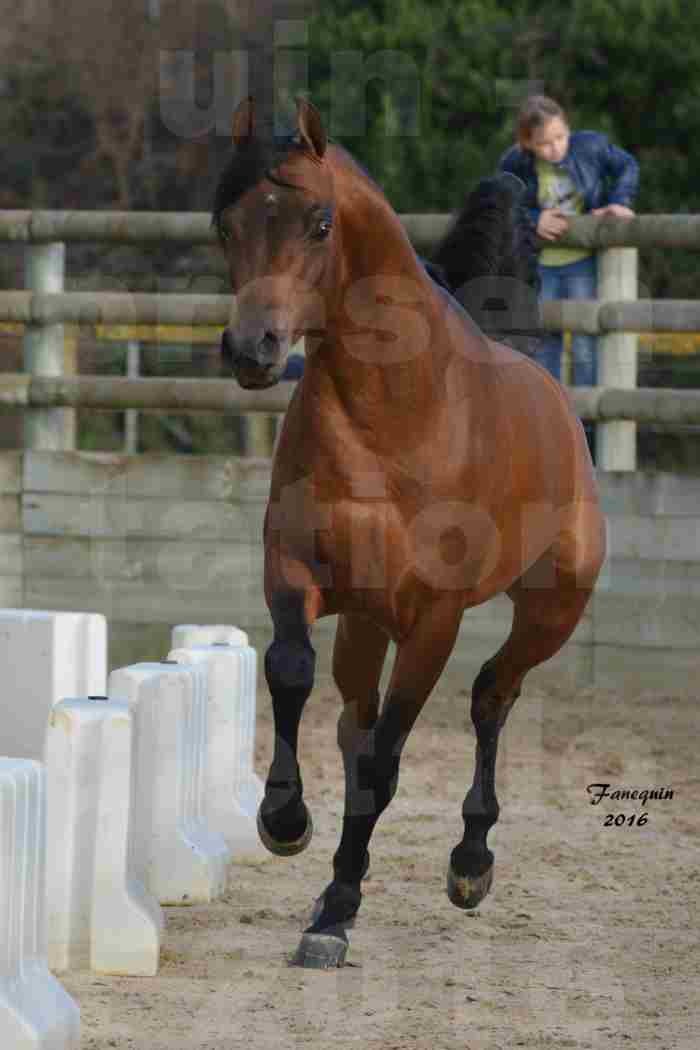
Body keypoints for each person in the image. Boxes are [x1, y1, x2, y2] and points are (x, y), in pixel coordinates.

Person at [497, 94, 639, 387]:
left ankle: (586, 427)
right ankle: (550, 419)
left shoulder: (591, 146)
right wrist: (535, 219)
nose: (555, 147)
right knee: (544, 339)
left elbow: (627, 165)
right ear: (527, 144)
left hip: (581, 262)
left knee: (586, 342)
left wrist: (619, 200)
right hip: (540, 264)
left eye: (561, 137)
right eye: (545, 143)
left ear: (568, 128)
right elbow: (502, 200)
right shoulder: (515, 163)